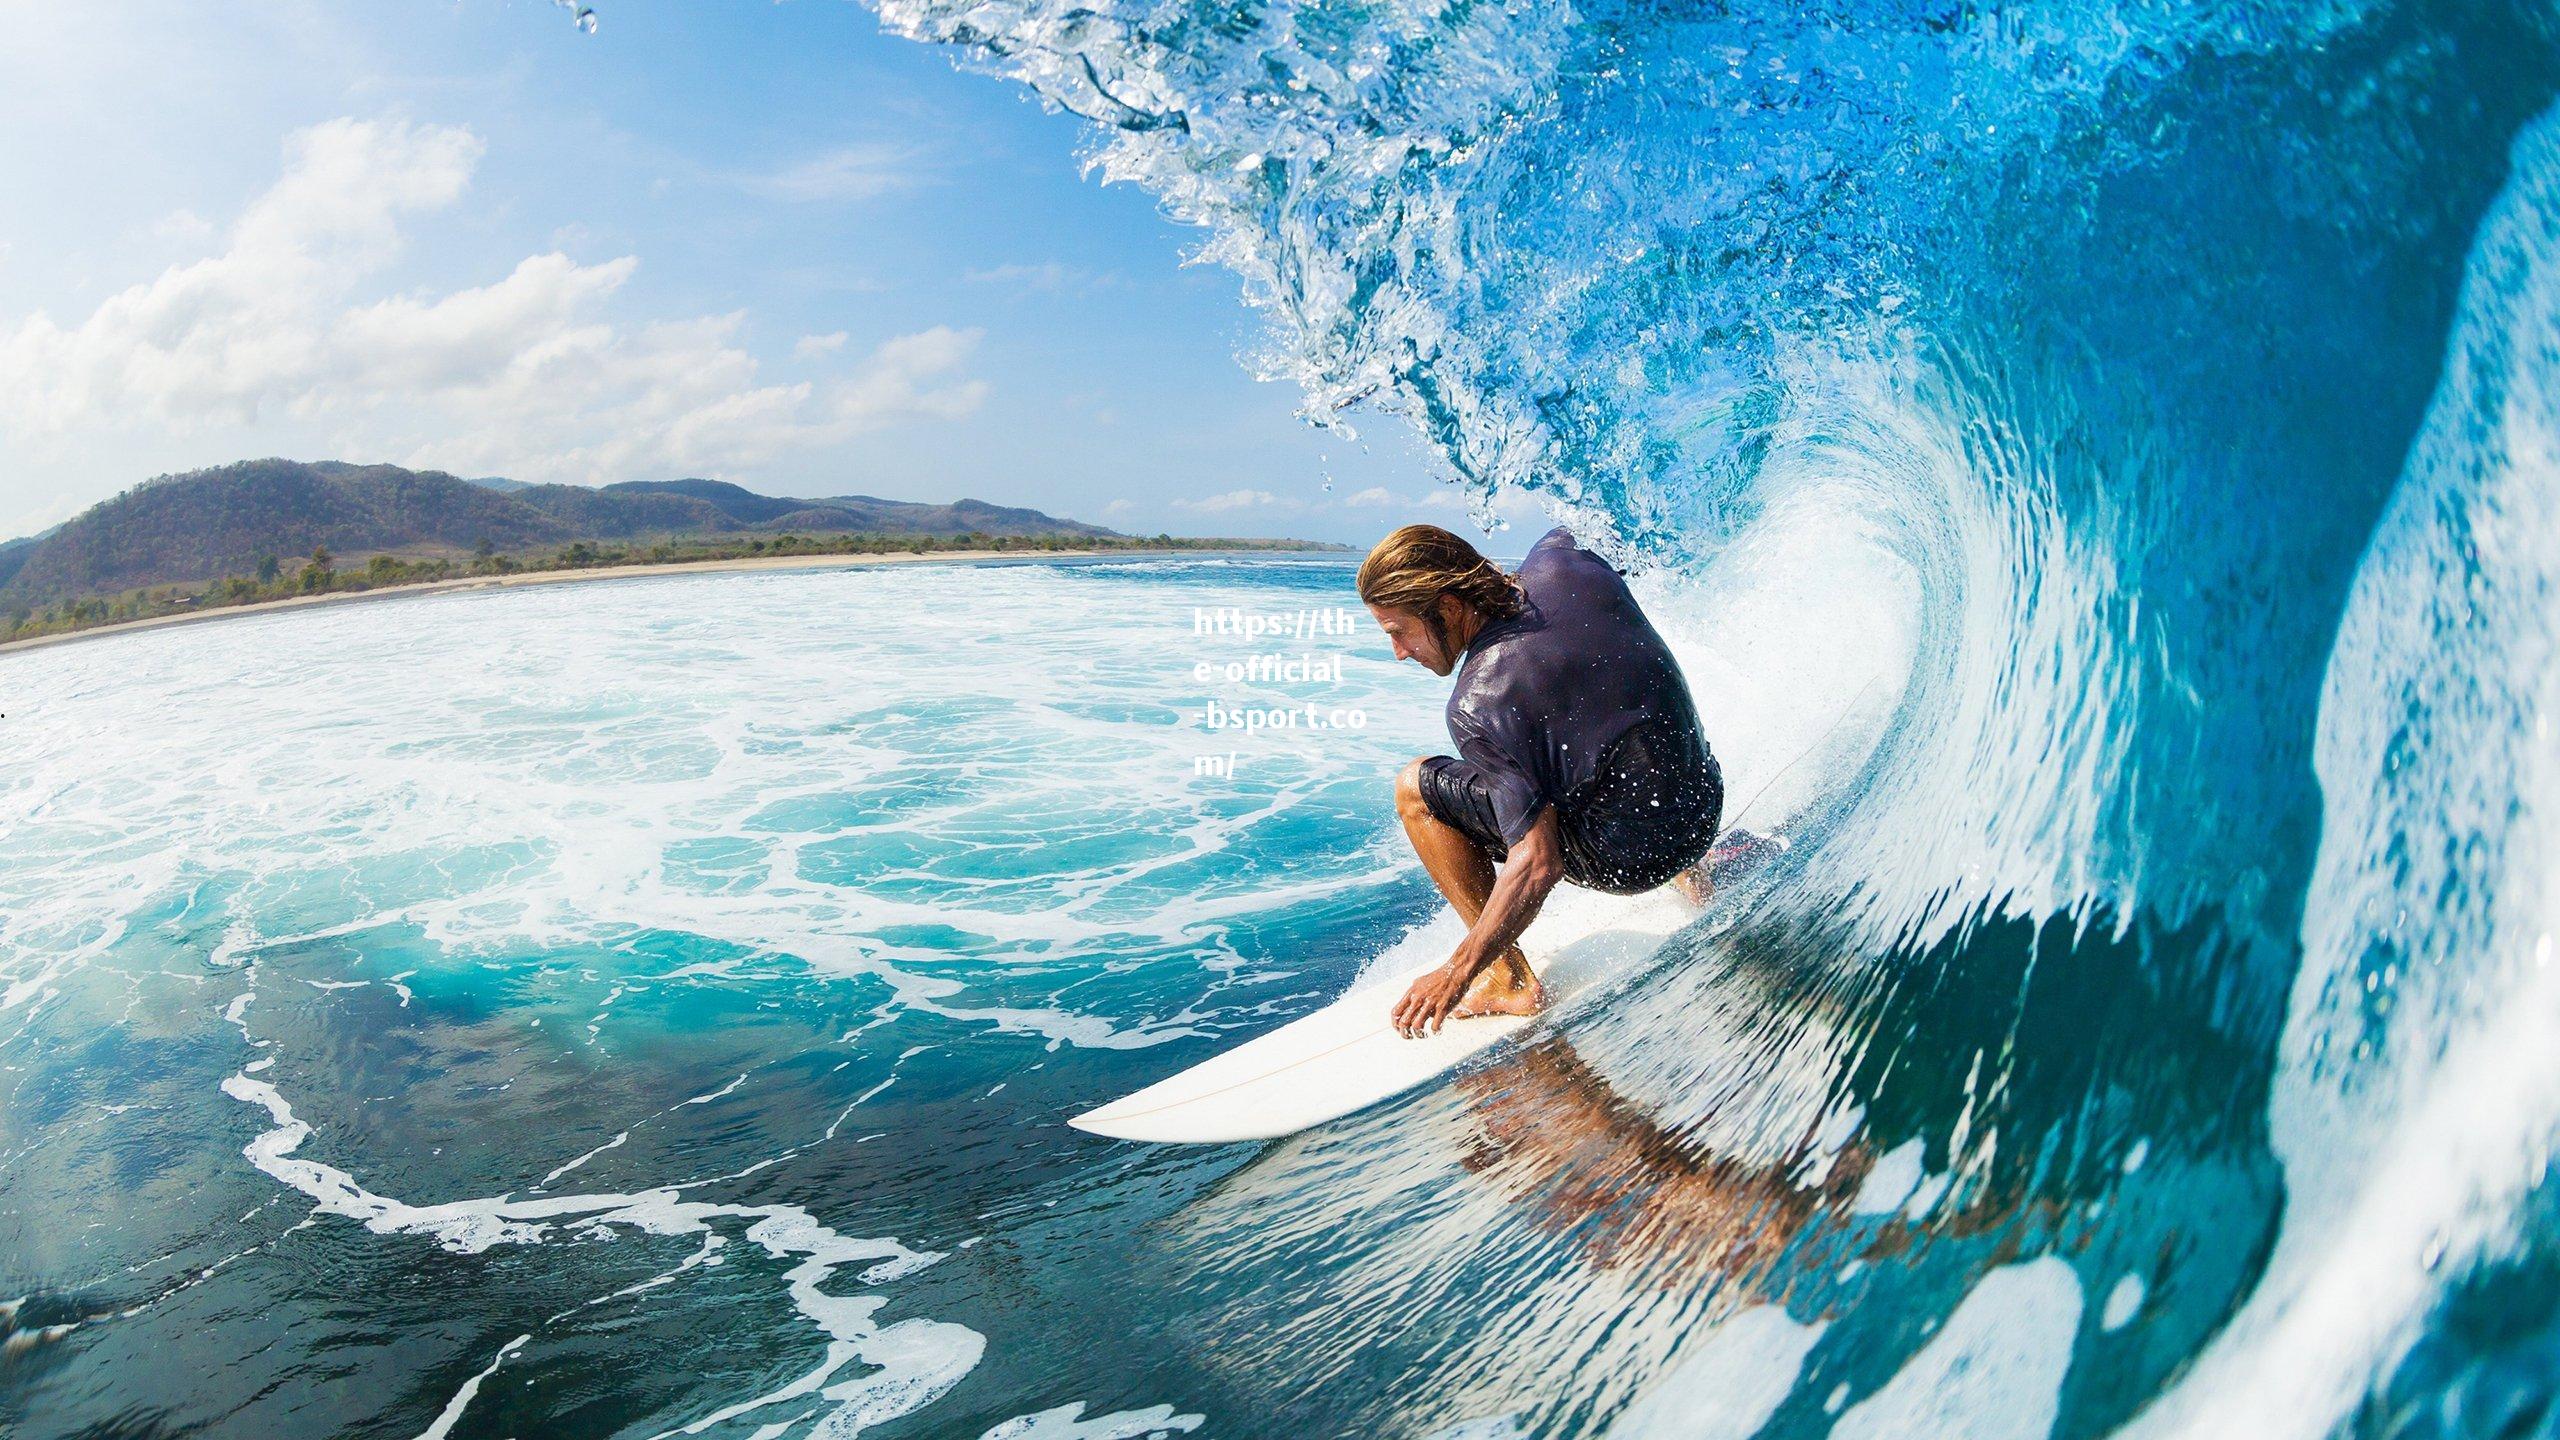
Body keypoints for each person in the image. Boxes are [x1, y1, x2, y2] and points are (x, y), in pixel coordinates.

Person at [1360, 523, 1723, 1038]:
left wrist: (1454, 973)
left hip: (1633, 862)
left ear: (1446, 607)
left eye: (1398, 630)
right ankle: (1697, 872)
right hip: (1702, 805)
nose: (1398, 650)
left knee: (1414, 788)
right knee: (1590, 719)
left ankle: (1508, 979)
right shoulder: (1564, 559)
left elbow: (1538, 861)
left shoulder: (1477, 702)